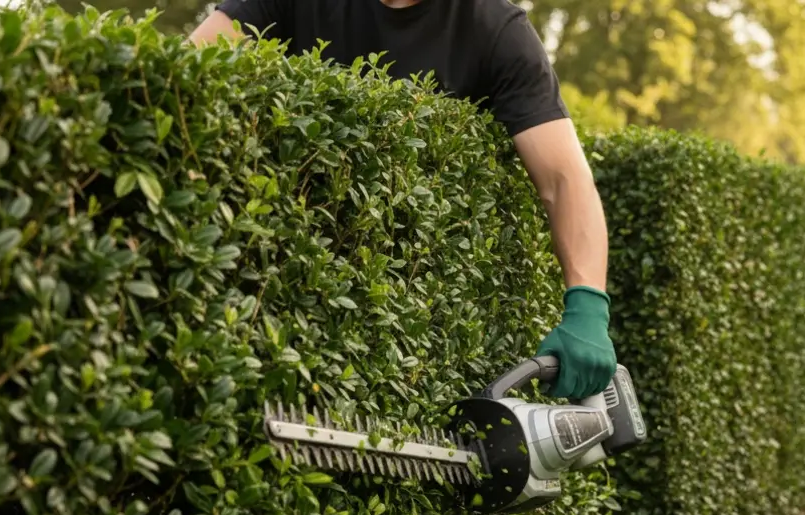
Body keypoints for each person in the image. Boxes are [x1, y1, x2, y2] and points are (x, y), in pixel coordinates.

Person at [189, 0, 616, 400]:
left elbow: (564, 179)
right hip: (275, 293)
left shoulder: (494, 28)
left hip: (411, 336)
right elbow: (189, 72)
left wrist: (588, 307)